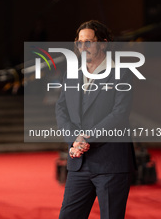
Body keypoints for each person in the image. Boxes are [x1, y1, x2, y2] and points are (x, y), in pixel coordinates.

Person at [56, 20, 136, 219]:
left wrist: (87, 138)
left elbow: (119, 114)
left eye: (89, 42)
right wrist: (75, 139)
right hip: (79, 164)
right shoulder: (71, 74)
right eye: (79, 42)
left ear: (103, 43)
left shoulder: (122, 73)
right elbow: (61, 109)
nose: (83, 47)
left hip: (111, 164)